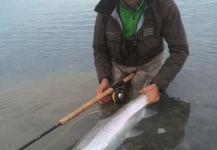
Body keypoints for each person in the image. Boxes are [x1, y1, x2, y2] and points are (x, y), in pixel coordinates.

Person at [93, 0, 189, 104]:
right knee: (109, 101)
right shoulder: (106, 7)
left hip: (148, 63)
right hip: (117, 63)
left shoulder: (164, 5)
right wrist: (104, 78)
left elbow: (180, 50)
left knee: (141, 104)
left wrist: (158, 84)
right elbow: (99, 48)